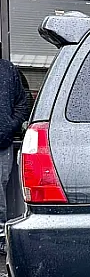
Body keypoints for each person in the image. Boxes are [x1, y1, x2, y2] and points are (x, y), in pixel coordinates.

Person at [0, 60, 30, 253]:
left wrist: (11, 125)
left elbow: (23, 101)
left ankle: (1, 237)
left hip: (2, 141)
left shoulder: (8, 70)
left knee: (0, 188)